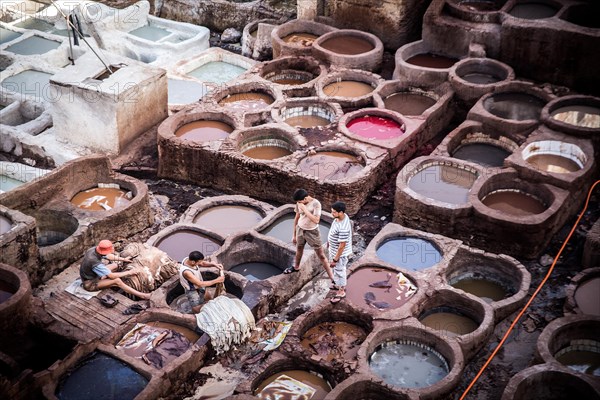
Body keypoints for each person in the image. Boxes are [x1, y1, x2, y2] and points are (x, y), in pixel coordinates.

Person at [284, 189, 333, 283]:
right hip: (300, 229)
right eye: (298, 202)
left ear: (305, 198)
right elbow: (297, 217)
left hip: (312, 231)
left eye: (299, 201)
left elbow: (316, 220)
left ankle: (332, 277)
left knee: (321, 255)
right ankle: (296, 267)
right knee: (299, 249)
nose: (298, 203)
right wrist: (294, 234)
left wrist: (305, 209)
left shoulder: (316, 204)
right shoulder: (299, 203)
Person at [80, 239, 150, 300]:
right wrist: (130, 272)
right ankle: (142, 295)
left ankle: (104, 278)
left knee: (114, 265)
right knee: (117, 281)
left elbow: (108, 256)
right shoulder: (94, 261)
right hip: (90, 283)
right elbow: (112, 276)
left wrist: (123, 259)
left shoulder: (94, 249)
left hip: (93, 274)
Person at [328, 201, 352, 303]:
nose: (332, 214)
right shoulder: (340, 217)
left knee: (340, 271)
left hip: (339, 254)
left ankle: (341, 291)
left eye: (334, 212)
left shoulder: (344, 228)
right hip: (333, 249)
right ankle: (337, 284)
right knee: (336, 270)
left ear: (341, 212)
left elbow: (342, 246)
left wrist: (335, 259)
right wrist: (329, 242)